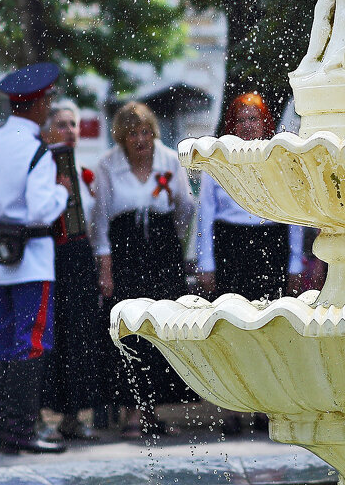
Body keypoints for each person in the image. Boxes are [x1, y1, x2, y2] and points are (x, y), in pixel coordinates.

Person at [0, 62, 69, 454]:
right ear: (39, 104)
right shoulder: (37, 151)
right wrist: (62, 191)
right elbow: (44, 210)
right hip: (32, 260)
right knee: (31, 343)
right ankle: (23, 431)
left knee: (3, 342)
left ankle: (5, 429)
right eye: (48, 100)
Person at [93, 101, 196, 439]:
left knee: (162, 328)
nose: (141, 140)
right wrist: (105, 269)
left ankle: (155, 411)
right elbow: (102, 222)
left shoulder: (168, 160)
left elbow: (185, 207)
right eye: (133, 134)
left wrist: (172, 241)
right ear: (122, 139)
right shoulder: (108, 166)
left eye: (146, 132)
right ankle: (132, 411)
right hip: (126, 253)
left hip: (161, 254)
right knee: (131, 328)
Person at [38, 101, 106, 441]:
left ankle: (74, 416)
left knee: (79, 337)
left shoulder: (85, 173)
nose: (70, 131)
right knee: (50, 336)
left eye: (74, 124)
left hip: (81, 261)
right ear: (49, 130)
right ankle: (40, 415)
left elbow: (97, 223)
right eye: (62, 124)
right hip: (50, 259)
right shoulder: (41, 169)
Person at [197, 93, 303, 300]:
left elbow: (294, 216)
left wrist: (296, 263)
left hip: (272, 243)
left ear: (265, 122)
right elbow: (205, 216)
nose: (247, 125)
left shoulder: (279, 160)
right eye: (241, 120)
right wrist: (205, 263)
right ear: (232, 124)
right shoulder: (216, 162)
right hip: (230, 245)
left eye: (253, 119)